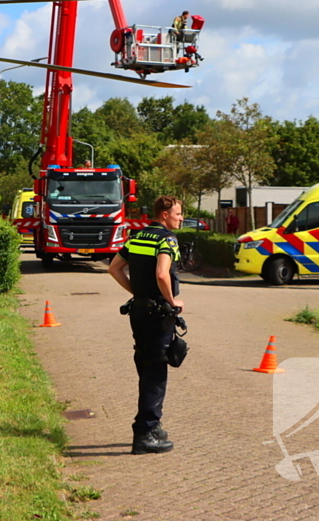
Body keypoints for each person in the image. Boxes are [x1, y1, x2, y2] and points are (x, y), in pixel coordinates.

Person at [108, 195, 185, 455]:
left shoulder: (138, 236)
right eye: (178, 213)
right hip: (157, 313)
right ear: (165, 215)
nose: (181, 217)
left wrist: (137, 292)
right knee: (155, 372)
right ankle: (145, 433)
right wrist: (172, 301)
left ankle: (153, 425)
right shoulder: (167, 239)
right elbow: (162, 273)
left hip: (139, 311)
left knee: (146, 367)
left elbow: (115, 268)